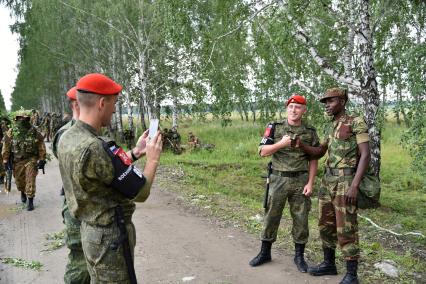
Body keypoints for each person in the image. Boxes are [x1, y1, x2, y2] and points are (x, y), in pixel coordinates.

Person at [57, 73, 163, 283]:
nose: (114, 110)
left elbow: (106, 173)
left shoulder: (68, 137)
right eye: (113, 103)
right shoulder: (95, 147)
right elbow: (140, 192)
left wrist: (135, 152)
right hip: (109, 240)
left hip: (90, 232)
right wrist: (152, 160)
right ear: (102, 103)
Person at [305, 88, 370, 284]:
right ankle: (329, 264)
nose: (326, 105)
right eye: (324, 102)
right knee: (326, 224)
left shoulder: (355, 121)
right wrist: (299, 145)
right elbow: (318, 152)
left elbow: (365, 155)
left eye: (330, 101)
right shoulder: (330, 125)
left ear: (341, 101)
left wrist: (354, 186)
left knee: (346, 227)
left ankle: (352, 275)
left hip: (346, 182)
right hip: (328, 181)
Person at [249, 94, 320, 273]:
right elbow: (262, 151)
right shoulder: (275, 127)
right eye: (291, 106)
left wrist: (311, 183)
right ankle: (265, 252)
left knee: (301, 218)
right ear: (286, 108)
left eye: (298, 107)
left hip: (300, 180)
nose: (294, 110)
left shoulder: (310, 132)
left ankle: (299, 256)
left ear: (304, 110)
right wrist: (280, 144)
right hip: (278, 179)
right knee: (271, 216)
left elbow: (314, 159)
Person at [52, 86, 90, 284]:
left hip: (87, 209)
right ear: (77, 104)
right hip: (77, 209)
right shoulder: (67, 135)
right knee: (79, 265)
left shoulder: (87, 133)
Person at [2, 109, 46, 211]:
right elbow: (7, 146)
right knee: (20, 182)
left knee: (30, 179)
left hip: (31, 160)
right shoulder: (12, 132)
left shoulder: (33, 131)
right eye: (20, 118)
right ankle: (22, 192)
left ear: (28, 119)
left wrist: (42, 158)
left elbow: (41, 144)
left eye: (25, 118)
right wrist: (5, 160)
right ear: (16, 119)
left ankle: (30, 200)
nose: (23, 120)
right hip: (17, 161)